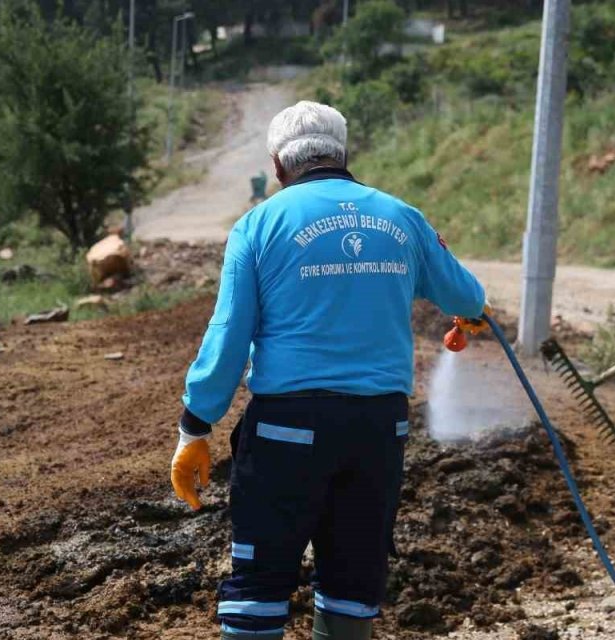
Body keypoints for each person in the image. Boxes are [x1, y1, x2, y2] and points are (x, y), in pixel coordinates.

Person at [169, 101, 487, 640]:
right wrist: (466, 314)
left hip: (287, 430)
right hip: (379, 430)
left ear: (277, 166)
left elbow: (226, 340)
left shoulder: (257, 226)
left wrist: (195, 428)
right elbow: (468, 295)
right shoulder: (401, 216)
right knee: (351, 582)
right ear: (344, 154)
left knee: (260, 583)